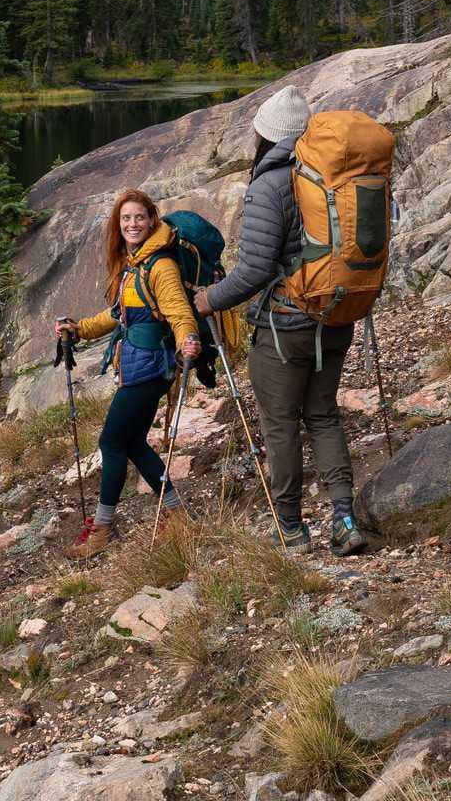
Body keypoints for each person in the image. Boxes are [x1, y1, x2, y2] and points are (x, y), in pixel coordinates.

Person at [194, 85, 367, 556]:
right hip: (336, 315)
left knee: (281, 425)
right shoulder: (333, 174)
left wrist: (209, 299)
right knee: (324, 416)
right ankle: (344, 518)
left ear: (265, 135)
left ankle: (290, 526)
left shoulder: (269, 184)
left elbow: (253, 270)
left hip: (285, 326)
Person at [55, 189, 201, 559]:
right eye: (125, 219)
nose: (132, 224)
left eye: (139, 217)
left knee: (112, 442)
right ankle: (178, 513)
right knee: (133, 442)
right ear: (118, 226)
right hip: (140, 363)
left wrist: (188, 339)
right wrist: (80, 329)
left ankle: (103, 529)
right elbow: (118, 314)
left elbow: (179, 311)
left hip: (150, 367)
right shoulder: (134, 263)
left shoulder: (159, 265)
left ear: (152, 219)